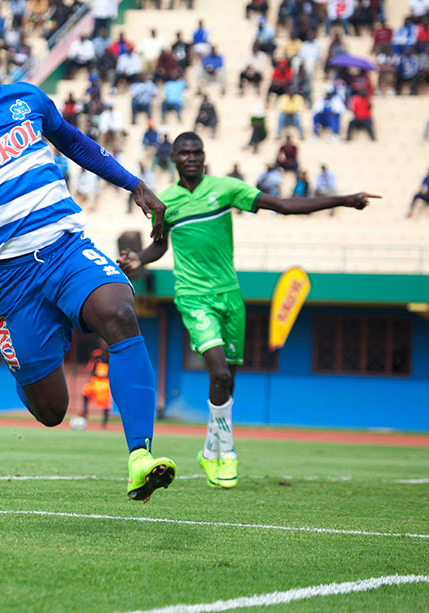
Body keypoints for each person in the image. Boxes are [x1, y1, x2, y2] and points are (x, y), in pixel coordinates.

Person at [0, 26, 175, 503]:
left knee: (118, 311)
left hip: (64, 246)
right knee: (53, 410)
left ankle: (140, 455)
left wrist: (133, 183)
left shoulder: (28, 100)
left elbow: (76, 144)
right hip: (11, 277)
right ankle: (21, 355)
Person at [118, 132, 377, 488]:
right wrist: (138, 258)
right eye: (184, 153)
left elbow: (283, 205)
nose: (192, 157)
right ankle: (227, 452)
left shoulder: (226, 189)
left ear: (204, 157)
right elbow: (158, 247)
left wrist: (344, 200)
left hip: (230, 297)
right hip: (194, 297)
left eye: (197, 152)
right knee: (220, 374)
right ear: (174, 159)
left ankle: (209, 452)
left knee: (228, 383)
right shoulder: (167, 201)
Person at [80, 342, 112, 428]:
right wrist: (90, 379)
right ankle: (85, 412)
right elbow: (91, 367)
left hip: (105, 381)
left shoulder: (112, 355)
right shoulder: (96, 354)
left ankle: (104, 422)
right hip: (96, 380)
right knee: (85, 391)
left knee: (105, 402)